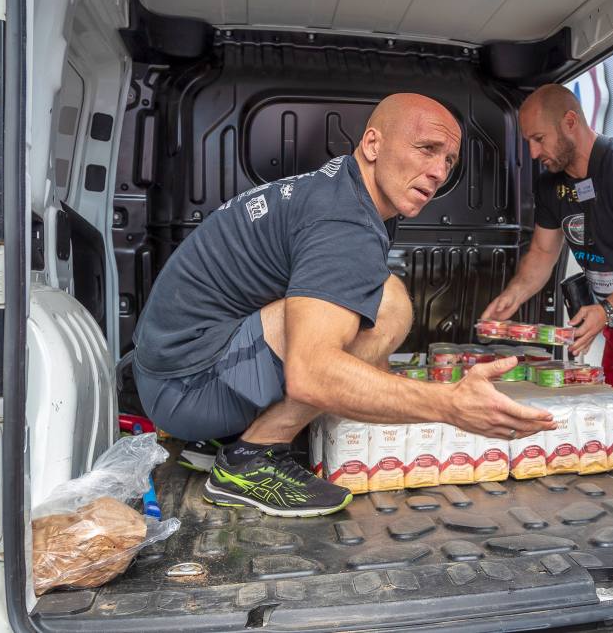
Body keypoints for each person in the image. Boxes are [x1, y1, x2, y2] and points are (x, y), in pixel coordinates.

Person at [132, 93, 556, 517]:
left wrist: (379, 389)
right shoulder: (343, 220)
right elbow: (312, 375)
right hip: (187, 388)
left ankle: (230, 434)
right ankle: (250, 458)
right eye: (426, 149)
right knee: (389, 305)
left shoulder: (342, 187)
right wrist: (449, 404)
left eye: (449, 160)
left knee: (372, 295)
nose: (439, 172)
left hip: (171, 371)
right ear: (372, 145)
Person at [481, 84, 613, 391]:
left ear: (570, 122)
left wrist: (607, 310)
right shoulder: (550, 185)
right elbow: (542, 252)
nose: (533, 153)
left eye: (539, 139)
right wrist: (513, 295)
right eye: (528, 142)